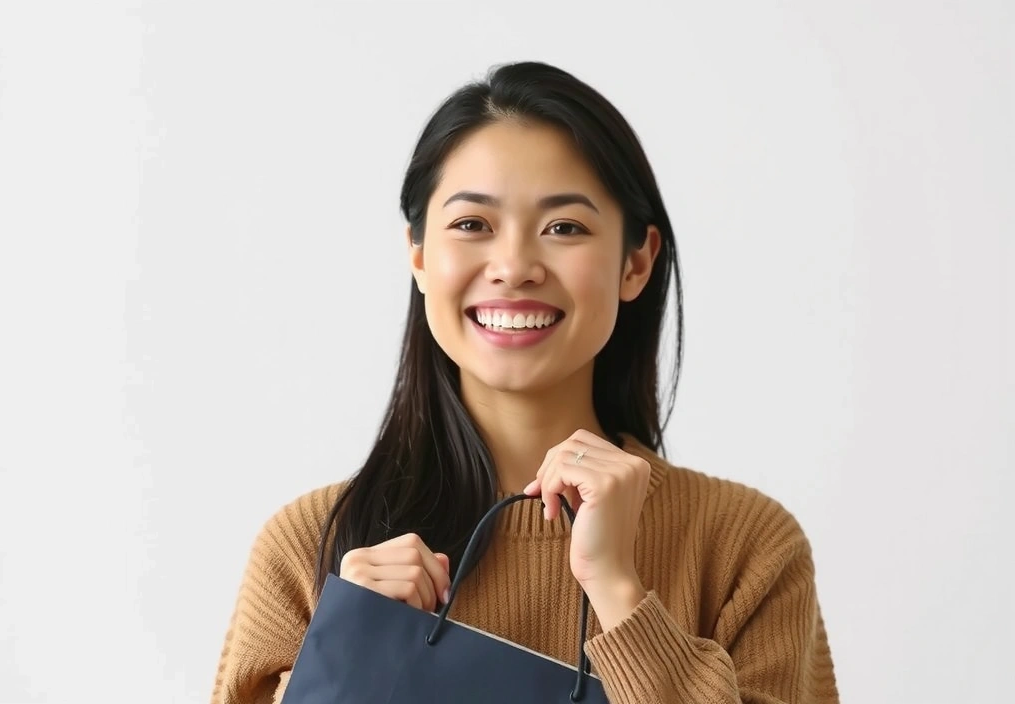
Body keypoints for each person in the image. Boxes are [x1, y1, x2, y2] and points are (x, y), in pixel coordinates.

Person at [210, 61, 839, 704]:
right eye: (472, 225)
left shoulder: (746, 549)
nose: (513, 267)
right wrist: (349, 656)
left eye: (563, 227)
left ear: (636, 261)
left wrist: (619, 594)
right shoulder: (308, 550)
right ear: (420, 256)